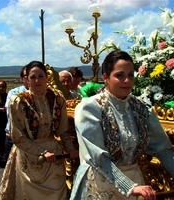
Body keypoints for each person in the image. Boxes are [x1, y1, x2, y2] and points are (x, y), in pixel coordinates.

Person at [70, 50, 174, 200]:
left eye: (130, 75)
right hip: (100, 185)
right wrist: (129, 187)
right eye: (120, 75)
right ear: (105, 77)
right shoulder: (90, 108)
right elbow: (98, 157)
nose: (127, 80)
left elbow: (162, 148)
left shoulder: (141, 108)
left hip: (136, 185)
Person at [0, 61, 78, 200]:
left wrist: (70, 149)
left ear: (47, 77)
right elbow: (17, 136)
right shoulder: (18, 101)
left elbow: (63, 130)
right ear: (26, 79)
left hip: (54, 159)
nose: (37, 80)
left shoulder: (57, 98)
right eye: (32, 77)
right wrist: (42, 152)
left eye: (40, 76)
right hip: (29, 156)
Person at [3, 65, 28, 165]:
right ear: (22, 79)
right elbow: (12, 114)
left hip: (34, 140)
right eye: (27, 75)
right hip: (14, 137)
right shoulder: (14, 93)